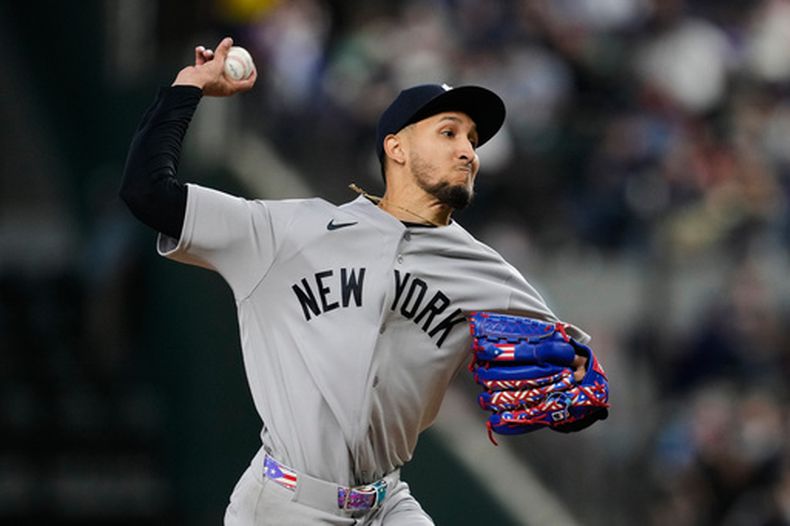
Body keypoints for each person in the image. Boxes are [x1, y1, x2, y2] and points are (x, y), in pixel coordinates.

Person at [120, 37, 591, 525]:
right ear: (397, 147)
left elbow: (572, 369)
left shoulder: (488, 272)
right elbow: (147, 192)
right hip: (286, 505)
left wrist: (575, 382)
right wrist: (188, 85)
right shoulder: (289, 232)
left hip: (387, 505)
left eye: (472, 139)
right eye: (449, 133)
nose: (468, 151)